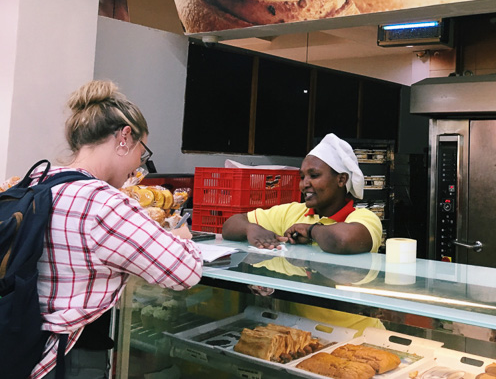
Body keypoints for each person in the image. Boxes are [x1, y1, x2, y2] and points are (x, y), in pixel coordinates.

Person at [31, 80, 203, 379]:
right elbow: (184, 271)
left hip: (27, 343)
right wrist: (181, 237)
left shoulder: (38, 181)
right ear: (125, 137)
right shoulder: (103, 203)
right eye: (142, 151)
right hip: (70, 358)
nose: (138, 166)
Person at [222, 133, 382, 254]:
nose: (304, 184)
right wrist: (250, 228)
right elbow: (230, 225)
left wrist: (311, 231)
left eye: (314, 176)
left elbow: (343, 240)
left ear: (341, 179)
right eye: (302, 177)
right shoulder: (291, 212)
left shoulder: (364, 218)